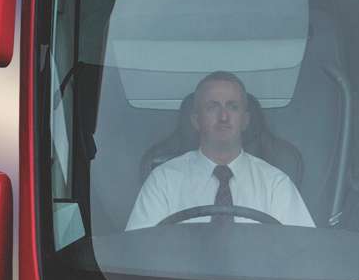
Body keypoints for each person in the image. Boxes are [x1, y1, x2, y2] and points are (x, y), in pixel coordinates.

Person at [124, 72, 316, 231]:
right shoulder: (163, 181)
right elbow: (140, 253)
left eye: (232, 107)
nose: (223, 116)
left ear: (245, 120)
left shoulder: (276, 184)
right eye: (212, 107)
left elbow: (303, 255)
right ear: (196, 120)